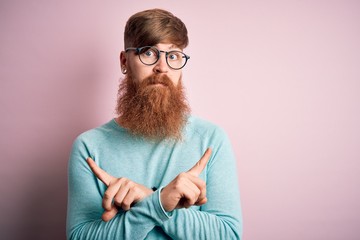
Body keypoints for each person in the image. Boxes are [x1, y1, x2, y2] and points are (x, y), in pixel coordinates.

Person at [66, 8, 242, 240]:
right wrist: (159, 203)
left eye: (173, 55)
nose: (162, 67)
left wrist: (149, 198)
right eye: (148, 53)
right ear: (124, 61)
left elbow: (229, 236)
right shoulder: (89, 147)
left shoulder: (211, 139)